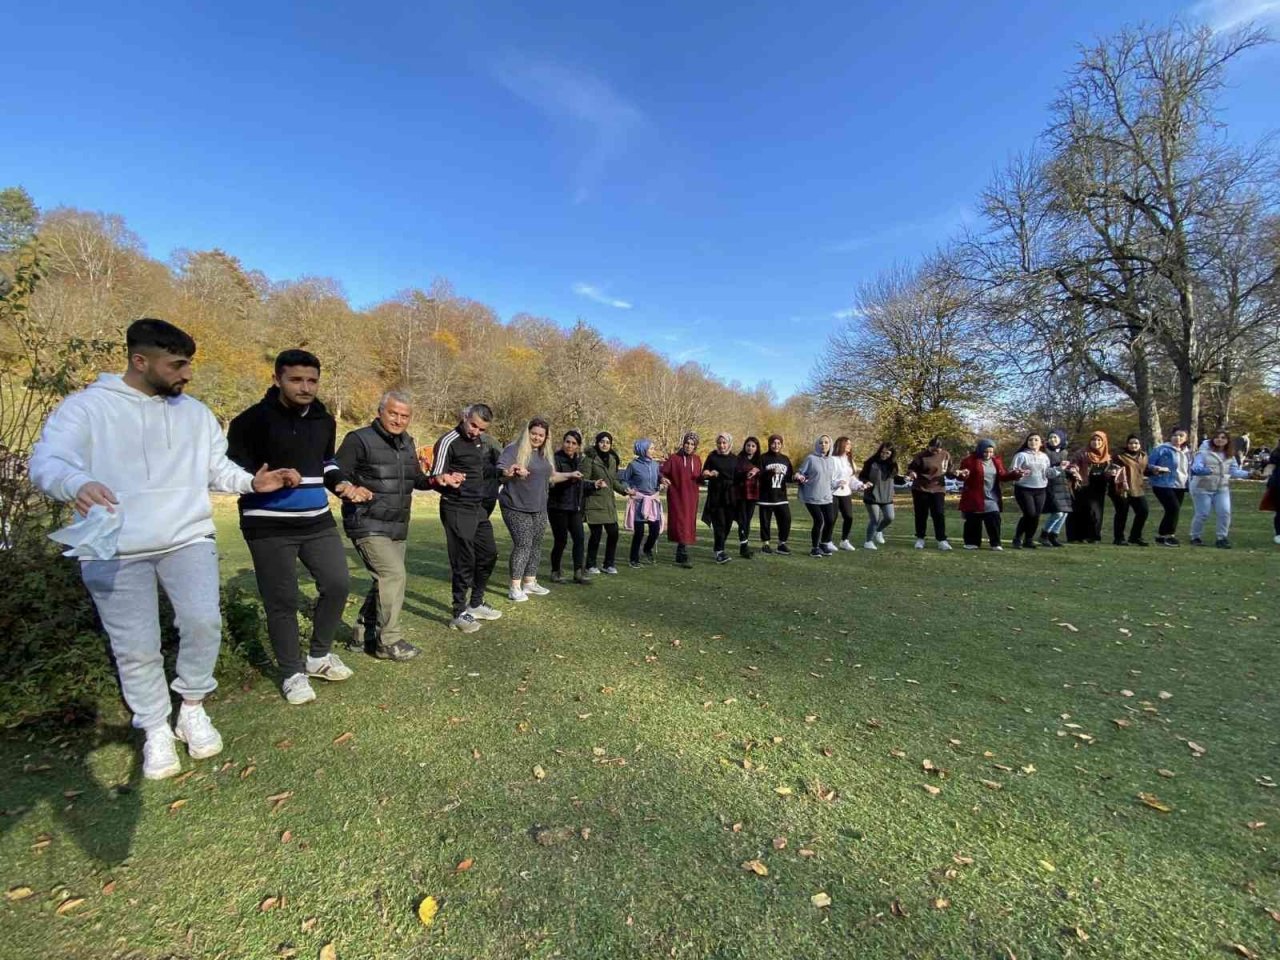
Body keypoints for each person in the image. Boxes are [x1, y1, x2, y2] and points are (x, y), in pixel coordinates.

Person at [30, 319, 300, 778]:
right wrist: (75, 482)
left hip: (186, 536)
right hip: (113, 547)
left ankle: (192, 708)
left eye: (188, 364)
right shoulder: (87, 408)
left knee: (202, 622)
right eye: (176, 365)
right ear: (140, 361)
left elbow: (216, 468)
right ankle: (155, 727)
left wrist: (251, 483)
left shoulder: (195, 413)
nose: (186, 374)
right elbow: (47, 462)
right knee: (136, 646)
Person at [227, 349, 369, 705]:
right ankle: (292, 673)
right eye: (296, 380)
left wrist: (340, 483)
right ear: (277, 379)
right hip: (267, 525)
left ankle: (318, 657)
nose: (305, 387)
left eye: (312, 380)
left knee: (338, 583)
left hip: (317, 520)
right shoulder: (249, 421)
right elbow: (229, 470)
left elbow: (326, 462)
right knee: (283, 599)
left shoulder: (324, 420)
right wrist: (257, 480)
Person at [335, 390, 438, 661]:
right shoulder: (358, 439)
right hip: (366, 521)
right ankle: (388, 642)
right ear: (380, 411)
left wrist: (437, 480)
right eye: (393, 413)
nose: (398, 420)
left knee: (382, 580)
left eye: (405, 416)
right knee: (393, 575)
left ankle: (361, 634)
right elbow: (336, 472)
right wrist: (349, 488)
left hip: (397, 525)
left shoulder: (407, 443)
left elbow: (417, 479)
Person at [428, 403, 501, 631]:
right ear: (465, 416)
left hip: (477, 507)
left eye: (482, 429)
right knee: (464, 560)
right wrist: (446, 479)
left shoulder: (479, 442)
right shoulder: (448, 441)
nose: (476, 432)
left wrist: (505, 472)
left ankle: (475, 604)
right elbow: (435, 476)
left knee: (489, 554)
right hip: (456, 507)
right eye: (473, 426)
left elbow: (479, 471)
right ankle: (459, 613)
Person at [498, 417, 581, 601]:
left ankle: (529, 582)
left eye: (541, 435)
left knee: (536, 544)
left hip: (539, 507)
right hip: (515, 505)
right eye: (533, 433)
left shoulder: (544, 454)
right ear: (527, 433)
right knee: (523, 544)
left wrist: (570, 475)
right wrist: (512, 471)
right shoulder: (513, 449)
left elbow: (551, 477)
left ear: (546, 437)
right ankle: (514, 587)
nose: (536, 437)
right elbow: (501, 470)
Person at [1188, 429, 1252, 548]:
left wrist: (1250, 474)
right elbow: (1195, 467)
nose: (1220, 440)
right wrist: (1206, 470)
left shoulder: (1230, 455)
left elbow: (1234, 471)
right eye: (1217, 437)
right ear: (1212, 439)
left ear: (1227, 441)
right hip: (1202, 487)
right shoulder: (1203, 453)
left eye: (1223, 438)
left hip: (1221, 488)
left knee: (1225, 513)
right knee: (1202, 513)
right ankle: (1195, 537)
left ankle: (1222, 538)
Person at [582, 431, 631, 575]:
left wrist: (625, 490)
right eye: (602, 442)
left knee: (614, 533)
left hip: (608, 503)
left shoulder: (612, 459)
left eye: (608, 442)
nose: (605, 445)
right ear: (597, 443)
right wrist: (594, 484)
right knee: (596, 535)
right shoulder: (589, 459)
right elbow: (582, 480)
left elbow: (613, 481)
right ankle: (590, 564)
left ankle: (608, 564)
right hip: (594, 502)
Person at [956, 439, 1020, 550]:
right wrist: (962, 475)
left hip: (991, 497)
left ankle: (995, 543)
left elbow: (1002, 476)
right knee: (973, 520)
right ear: (980, 450)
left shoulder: (996, 461)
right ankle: (972, 542)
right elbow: (962, 475)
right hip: (974, 496)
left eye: (991, 452)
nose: (988, 454)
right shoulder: (969, 461)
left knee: (994, 518)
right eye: (985, 452)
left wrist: (1015, 474)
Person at [548, 430, 591, 583]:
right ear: (563, 442)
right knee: (561, 540)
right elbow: (551, 481)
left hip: (574, 507)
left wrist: (594, 485)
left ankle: (578, 572)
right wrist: (569, 477)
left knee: (579, 538)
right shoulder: (555, 459)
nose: (570, 446)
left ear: (578, 446)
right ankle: (555, 571)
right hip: (558, 506)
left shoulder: (579, 461)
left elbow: (580, 483)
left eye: (574, 443)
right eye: (568, 442)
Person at [660, 432, 704, 568]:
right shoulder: (674, 458)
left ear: (695, 446)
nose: (689, 446)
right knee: (680, 523)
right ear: (683, 444)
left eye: (692, 444)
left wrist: (706, 476)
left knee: (688, 523)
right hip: (677, 496)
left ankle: (681, 551)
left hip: (691, 497)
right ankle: (682, 553)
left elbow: (699, 478)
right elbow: (662, 472)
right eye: (687, 443)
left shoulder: (697, 460)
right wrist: (662, 478)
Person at [622, 439, 666, 567]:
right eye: (651, 448)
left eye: (653, 448)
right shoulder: (633, 465)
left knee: (655, 530)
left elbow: (658, 476)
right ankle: (633, 559)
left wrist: (662, 480)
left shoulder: (655, 464)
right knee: (639, 532)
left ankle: (647, 550)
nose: (653, 451)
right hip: (639, 502)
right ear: (642, 450)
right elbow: (624, 480)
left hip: (652, 501)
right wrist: (627, 488)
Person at [905, 436, 954, 550]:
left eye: (938, 449)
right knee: (921, 514)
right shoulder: (920, 456)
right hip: (921, 488)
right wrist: (912, 473)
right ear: (929, 447)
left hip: (938, 488)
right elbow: (911, 468)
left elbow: (949, 472)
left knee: (939, 514)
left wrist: (956, 473)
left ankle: (941, 540)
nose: (935, 451)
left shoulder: (946, 455)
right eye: (933, 449)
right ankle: (920, 538)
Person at [1148, 428, 1191, 547]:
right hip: (1162, 483)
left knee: (1172, 510)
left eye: (1181, 436)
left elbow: (1189, 469)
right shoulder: (1161, 449)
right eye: (1175, 435)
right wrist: (1157, 468)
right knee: (1173, 508)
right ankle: (1169, 535)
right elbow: (1148, 464)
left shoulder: (1187, 452)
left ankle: (1162, 536)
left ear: (1185, 439)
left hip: (1180, 485)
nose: (1178, 438)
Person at [701, 432, 739, 564]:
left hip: (730, 495)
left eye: (724, 443)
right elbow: (704, 472)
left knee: (728, 524)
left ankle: (720, 547)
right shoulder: (712, 457)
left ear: (729, 443)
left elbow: (739, 476)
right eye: (719, 443)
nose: (721, 445)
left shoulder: (735, 458)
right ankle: (719, 552)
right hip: (716, 494)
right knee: (719, 524)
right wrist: (709, 473)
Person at [795, 435, 837, 558]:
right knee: (819, 520)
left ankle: (823, 544)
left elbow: (830, 479)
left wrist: (838, 484)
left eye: (826, 442)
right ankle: (814, 548)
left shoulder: (831, 460)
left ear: (830, 445)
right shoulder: (811, 458)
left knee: (830, 520)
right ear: (817, 444)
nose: (823, 445)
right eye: (821, 442)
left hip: (827, 496)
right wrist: (799, 476)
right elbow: (800, 473)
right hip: (812, 496)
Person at [1069, 431, 1112, 543]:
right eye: (1093, 440)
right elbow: (1073, 464)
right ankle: (1077, 537)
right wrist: (1074, 469)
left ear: (1103, 442)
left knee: (1096, 513)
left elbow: (1110, 470)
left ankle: (1093, 536)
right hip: (1083, 485)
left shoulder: (1107, 456)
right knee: (1081, 511)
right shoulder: (1082, 453)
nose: (1096, 442)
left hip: (1099, 487)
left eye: (1099, 440)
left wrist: (1112, 473)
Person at [1037, 429, 1078, 548]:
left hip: (1064, 484)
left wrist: (1071, 470)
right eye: (1050, 437)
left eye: (1055, 437)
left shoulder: (1064, 452)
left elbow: (1066, 468)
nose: (1052, 440)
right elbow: (1045, 469)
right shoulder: (1045, 452)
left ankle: (1053, 535)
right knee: (1058, 513)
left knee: (1065, 513)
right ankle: (1044, 534)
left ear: (1061, 439)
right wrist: (1059, 467)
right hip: (1051, 485)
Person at [1009, 433, 1051, 550]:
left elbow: (1048, 473)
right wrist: (1019, 472)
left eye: (1036, 440)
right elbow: (1012, 470)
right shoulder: (1021, 455)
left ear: (1041, 443)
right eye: (1030, 440)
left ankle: (1029, 539)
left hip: (1041, 489)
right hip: (1024, 488)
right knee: (1029, 514)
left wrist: (1060, 469)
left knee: (1036, 516)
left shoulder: (1044, 457)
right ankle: (1017, 538)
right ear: (1027, 442)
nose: (1033, 442)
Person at [1109, 434, 1152, 546]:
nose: (1133, 445)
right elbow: (1112, 468)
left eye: (1136, 443)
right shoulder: (1119, 456)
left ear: (1140, 445)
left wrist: (1156, 471)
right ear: (1127, 444)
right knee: (1122, 513)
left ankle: (1135, 537)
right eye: (1131, 443)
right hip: (1121, 489)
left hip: (1137, 488)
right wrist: (1113, 472)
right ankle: (1119, 538)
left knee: (1143, 511)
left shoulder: (1143, 456)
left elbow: (1144, 470)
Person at [858, 442, 900, 551]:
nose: (884, 455)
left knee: (890, 517)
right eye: (882, 452)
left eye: (887, 453)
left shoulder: (893, 464)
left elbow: (896, 478)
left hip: (887, 496)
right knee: (875, 520)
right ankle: (868, 542)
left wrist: (906, 478)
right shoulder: (871, 462)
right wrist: (866, 482)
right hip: (872, 496)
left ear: (891, 454)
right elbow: (862, 476)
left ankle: (879, 531)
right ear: (879, 451)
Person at [757, 434, 795, 555]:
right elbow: (758, 476)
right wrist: (770, 472)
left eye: (779, 443)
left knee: (786, 519)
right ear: (769, 444)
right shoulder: (763, 458)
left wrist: (797, 477)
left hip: (781, 496)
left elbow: (789, 477)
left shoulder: (785, 459)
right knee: (765, 521)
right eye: (773, 443)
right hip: (766, 496)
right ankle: (766, 544)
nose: (776, 445)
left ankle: (781, 544)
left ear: (781, 445)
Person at [831, 437, 864, 551]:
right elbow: (828, 477)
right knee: (832, 518)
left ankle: (844, 541)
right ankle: (827, 541)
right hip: (833, 493)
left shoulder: (850, 461)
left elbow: (851, 478)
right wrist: (836, 483)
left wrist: (859, 485)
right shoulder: (832, 460)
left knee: (849, 517)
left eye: (850, 444)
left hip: (845, 493)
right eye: (847, 444)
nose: (849, 446)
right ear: (840, 445)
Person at [733, 437, 764, 558]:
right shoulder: (739, 459)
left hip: (753, 494)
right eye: (748, 445)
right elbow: (734, 475)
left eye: (753, 446)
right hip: (741, 494)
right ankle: (744, 547)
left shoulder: (759, 461)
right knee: (742, 520)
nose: (750, 448)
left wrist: (757, 471)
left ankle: (744, 545)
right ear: (744, 446)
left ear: (756, 448)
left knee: (748, 520)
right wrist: (746, 474)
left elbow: (763, 475)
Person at [1262, 445, 1280, 545]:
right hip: (1278, 484)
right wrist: (1265, 473)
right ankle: (1279, 534)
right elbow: (1271, 465)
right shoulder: (1277, 452)